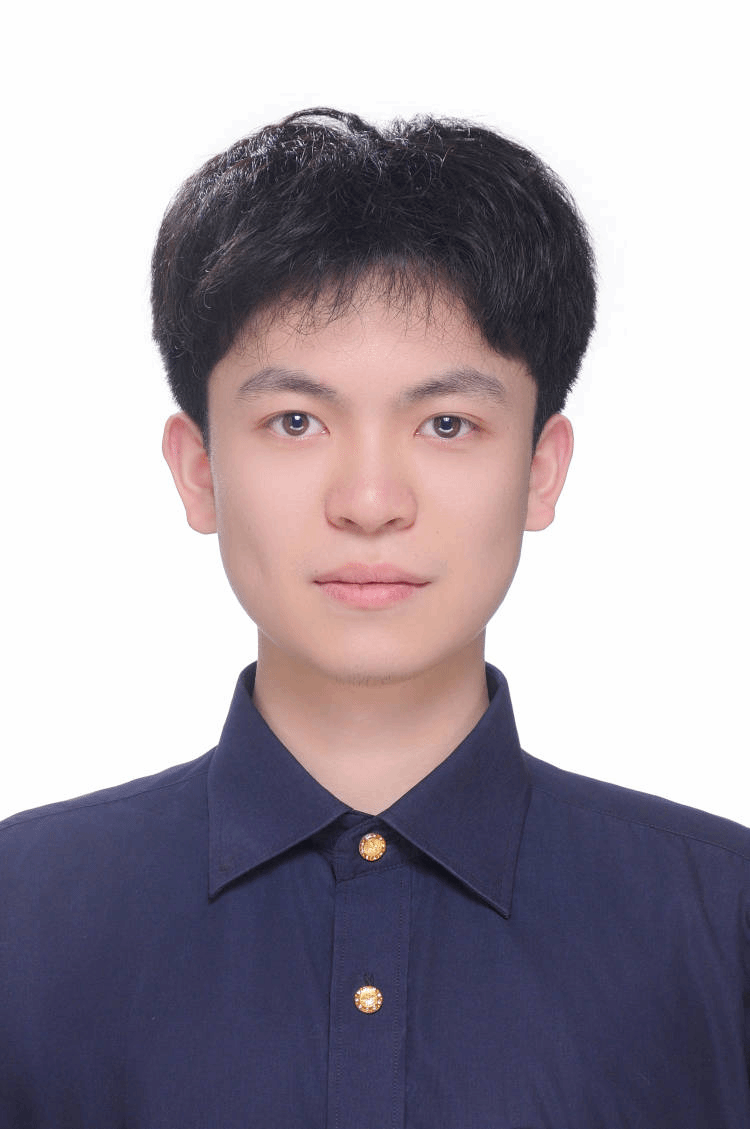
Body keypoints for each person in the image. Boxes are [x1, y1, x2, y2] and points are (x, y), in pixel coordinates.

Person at [1, 107, 748, 1128]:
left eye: (446, 422)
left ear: (540, 469)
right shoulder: (23, 914)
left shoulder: (719, 918)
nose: (368, 501)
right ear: (199, 469)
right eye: (295, 421)